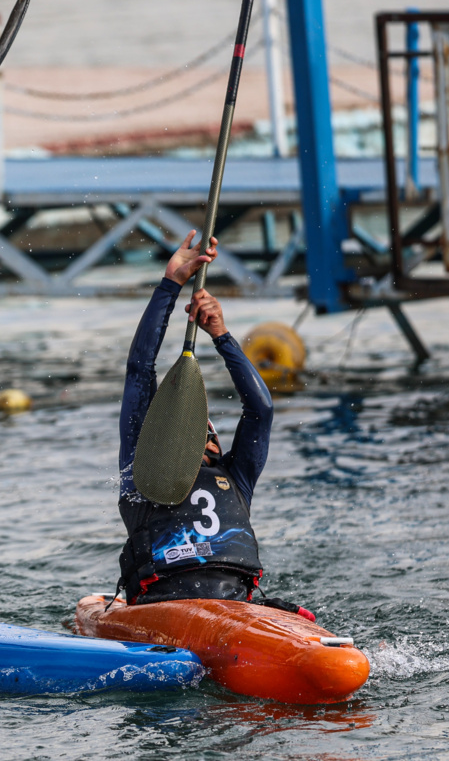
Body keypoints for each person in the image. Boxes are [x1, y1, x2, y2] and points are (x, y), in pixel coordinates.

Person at [115, 231, 309, 618]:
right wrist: (171, 283)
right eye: (182, 428)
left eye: (204, 428)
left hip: (235, 607)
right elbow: (140, 371)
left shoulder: (237, 476)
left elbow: (261, 410)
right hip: (163, 606)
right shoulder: (142, 473)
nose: (196, 431)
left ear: (217, 444)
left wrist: (221, 334)